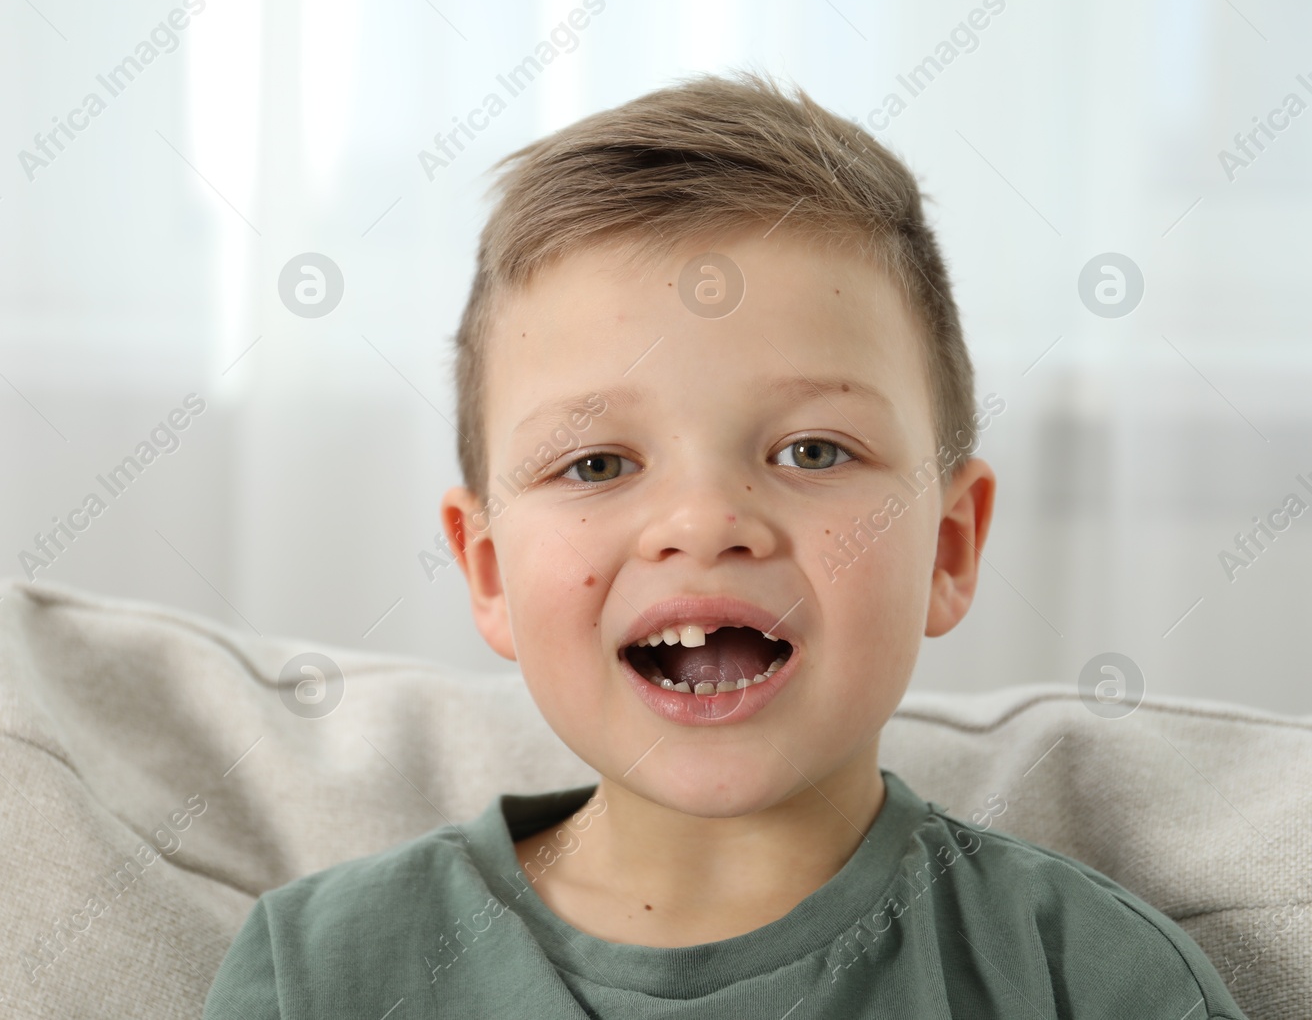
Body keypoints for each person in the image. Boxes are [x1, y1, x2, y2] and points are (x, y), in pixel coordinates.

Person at [203, 69, 1245, 1018]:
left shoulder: (1087, 977)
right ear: (485, 570)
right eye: (597, 464)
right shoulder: (323, 972)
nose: (703, 521)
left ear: (948, 545)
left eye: (811, 448)